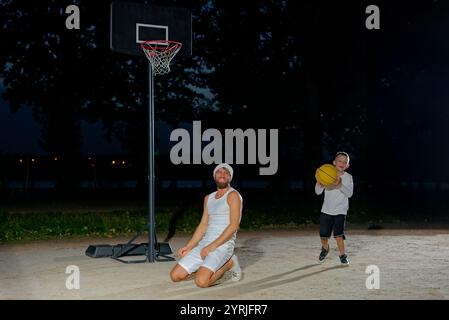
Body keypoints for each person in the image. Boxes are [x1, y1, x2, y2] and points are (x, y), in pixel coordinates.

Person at [170, 163, 243, 288]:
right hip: (205, 243)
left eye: (226, 173)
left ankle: (229, 264)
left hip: (222, 246)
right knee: (175, 276)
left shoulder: (233, 195)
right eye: (219, 172)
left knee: (201, 282)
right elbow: (203, 224)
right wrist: (189, 246)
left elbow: (234, 226)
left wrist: (211, 247)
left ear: (230, 178)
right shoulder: (208, 198)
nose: (223, 174)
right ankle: (206, 265)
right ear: (214, 176)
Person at [315, 151, 353, 265]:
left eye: (345, 162)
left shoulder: (348, 177)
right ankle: (325, 248)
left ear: (347, 166)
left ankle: (342, 255)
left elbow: (349, 193)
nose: (342, 163)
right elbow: (317, 192)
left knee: (338, 236)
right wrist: (319, 183)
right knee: (323, 235)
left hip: (340, 211)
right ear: (334, 163)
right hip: (326, 210)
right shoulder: (326, 174)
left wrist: (339, 185)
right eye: (340, 161)